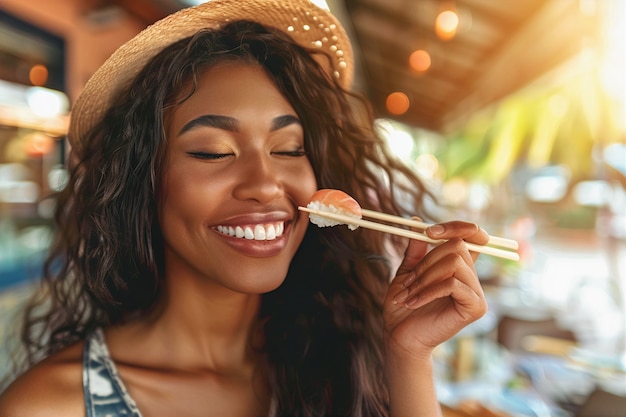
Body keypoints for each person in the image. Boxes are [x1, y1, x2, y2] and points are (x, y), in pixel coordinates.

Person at [0, 0, 489, 416]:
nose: (264, 184)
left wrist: (408, 355)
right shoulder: (53, 405)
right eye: (212, 151)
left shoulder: (342, 363)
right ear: (143, 180)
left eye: (289, 149)